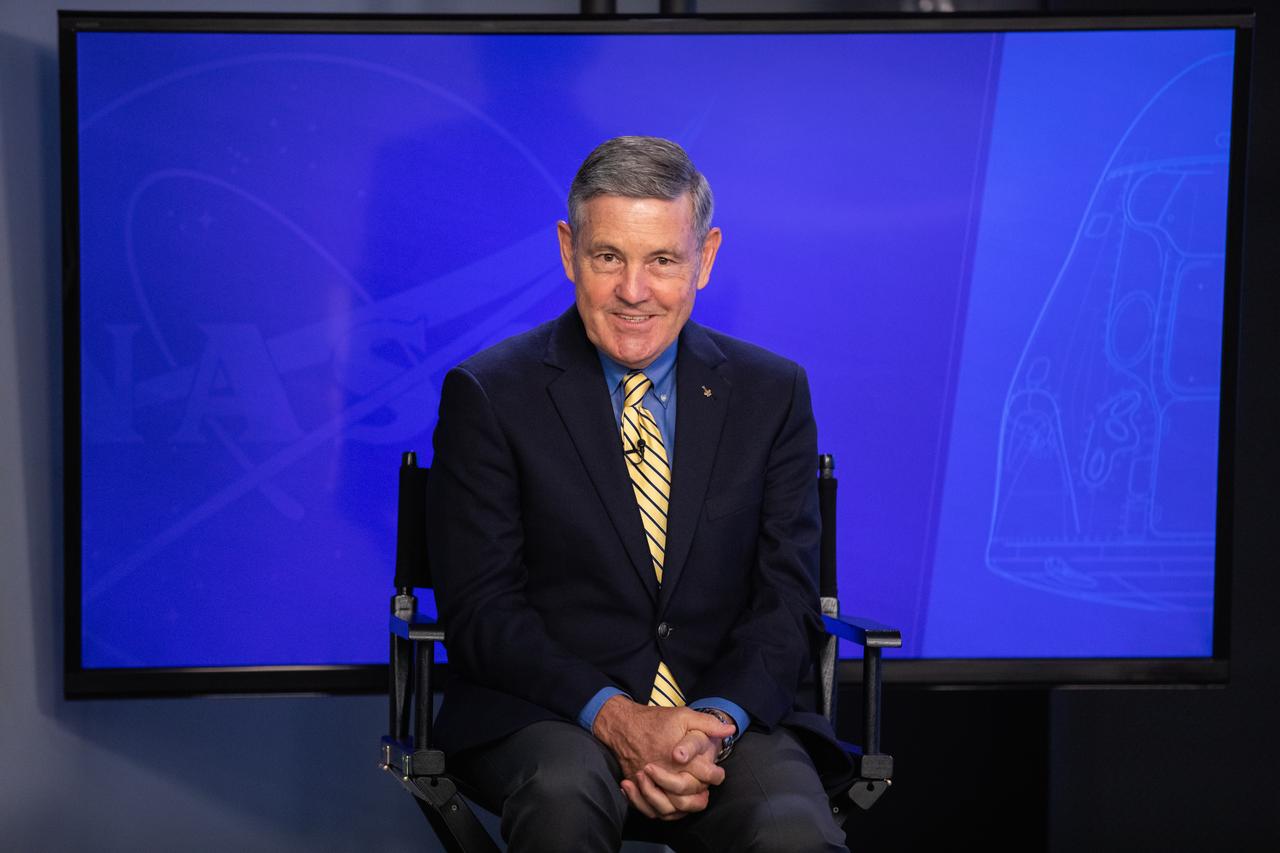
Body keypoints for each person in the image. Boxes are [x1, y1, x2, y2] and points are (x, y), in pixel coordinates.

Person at [426, 136, 848, 852]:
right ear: (568, 250)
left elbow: (786, 599)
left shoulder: (773, 394)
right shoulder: (490, 396)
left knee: (794, 832)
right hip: (550, 715)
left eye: (662, 260)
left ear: (705, 258)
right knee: (565, 799)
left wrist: (709, 723)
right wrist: (619, 718)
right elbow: (484, 612)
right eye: (608, 257)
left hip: (723, 718)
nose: (633, 291)